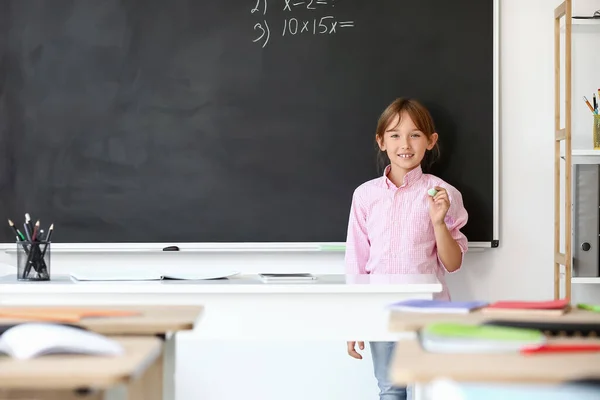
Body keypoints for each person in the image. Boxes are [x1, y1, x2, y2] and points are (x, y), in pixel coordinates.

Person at [344, 98, 469, 400]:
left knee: (435, 389)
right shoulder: (365, 195)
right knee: (390, 390)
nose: (405, 144)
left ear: (431, 141)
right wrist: (353, 320)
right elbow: (357, 263)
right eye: (395, 134)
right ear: (381, 141)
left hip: (429, 309)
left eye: (415, 134)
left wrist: (439, 222)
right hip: (381, 308)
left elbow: (452, 264)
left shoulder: (443, 194)